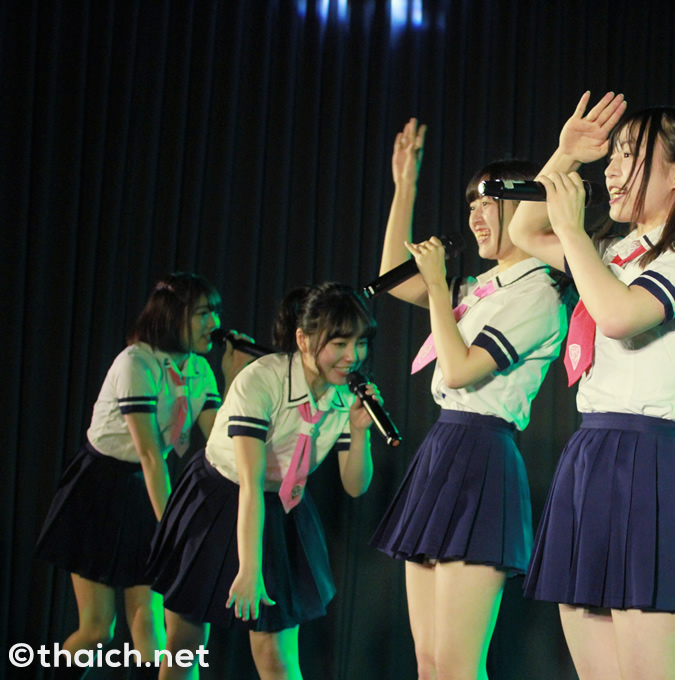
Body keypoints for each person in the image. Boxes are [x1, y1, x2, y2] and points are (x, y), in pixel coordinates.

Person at [510, 92, 675, 679]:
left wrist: (573, 232)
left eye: (629, 155)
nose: (611, 170)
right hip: (590, 455)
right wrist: (566, 154)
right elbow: (525, 229)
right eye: (610, 155)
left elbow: (619, 315)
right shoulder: (615, 250)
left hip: (651, 461)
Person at [368, 118, 569, 679]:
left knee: (457, 665)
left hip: (481, 455)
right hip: (443, 448)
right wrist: (405, 186)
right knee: (429, 662)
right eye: (472, 205)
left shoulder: (538, 293)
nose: (476, 215)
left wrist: (438, 285)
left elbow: (458, 371)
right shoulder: (484, 287)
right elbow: (392, 277)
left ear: (528, 209)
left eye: (490, 203)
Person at [147, 283, 376, 679]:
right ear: (303, 340)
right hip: (218, 499)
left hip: (281, 506)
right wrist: (249, 568)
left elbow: (355, 485)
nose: (352, 356)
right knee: (184, 644)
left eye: (360, 343)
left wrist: (359, 433)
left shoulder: (344, 395)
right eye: (340, 343)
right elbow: (249, 484)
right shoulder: (262, 380)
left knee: (276, 655)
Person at [36, 272, 250, 679]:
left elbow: (221, 443)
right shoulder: (136, 362)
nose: (214, 323)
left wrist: (233, 377)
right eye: (203, 313)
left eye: (216, 312)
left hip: (145, 492)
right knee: (98, 629)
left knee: (149, 629)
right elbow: (150, 455)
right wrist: (172, 531)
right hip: (99, 488)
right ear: (173, 315)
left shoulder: (199, 369)